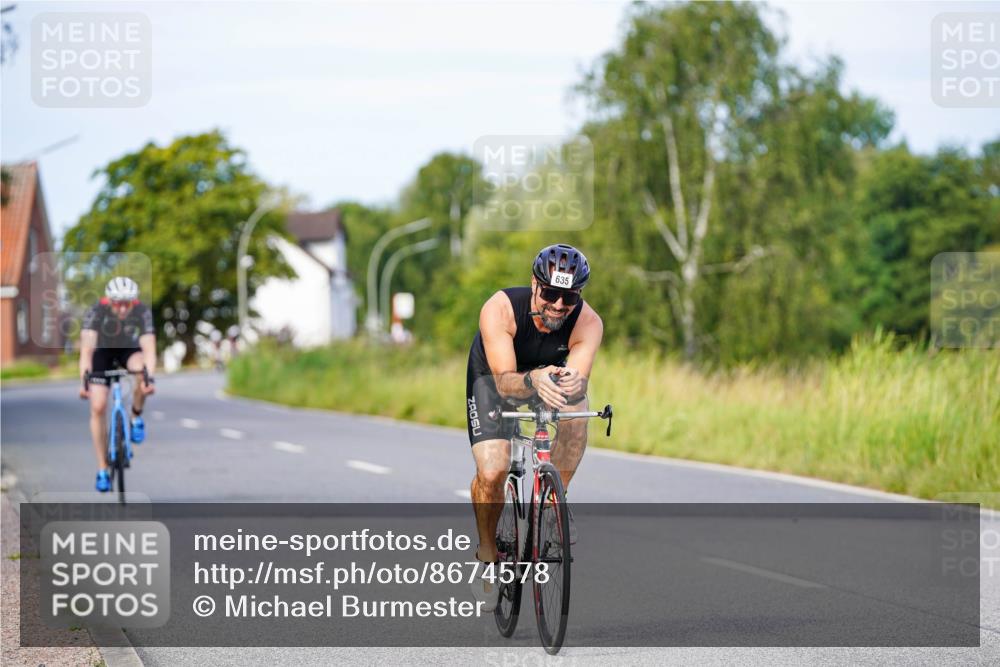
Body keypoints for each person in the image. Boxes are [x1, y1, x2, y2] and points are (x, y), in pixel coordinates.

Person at [466, 244, 603, 611]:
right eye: (551, 293)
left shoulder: (588, 322)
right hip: (495, 379)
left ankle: (554, 501)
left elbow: (579, 378)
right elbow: (505, 382)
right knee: (493, 468)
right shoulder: (500, 309)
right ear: (534, 284)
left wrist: (574, 385)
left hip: (547, 379)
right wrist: (535, 380)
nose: (559, 304)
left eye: (569, 296)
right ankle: (487, 551)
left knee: (579, 410)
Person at [78, 277, 157, 492]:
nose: (122, 308)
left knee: (142, 371)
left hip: (127, 350)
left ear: (133, 301)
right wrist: (84, 380)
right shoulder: (97, 311)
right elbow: (86, 350)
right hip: (102, 354)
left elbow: (149, 348)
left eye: (127, 303)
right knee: (98, 406)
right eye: (118, 303)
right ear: (109, 301)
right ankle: (103, 469)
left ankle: (136, 416)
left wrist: (149, 379)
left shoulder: (141, 311)